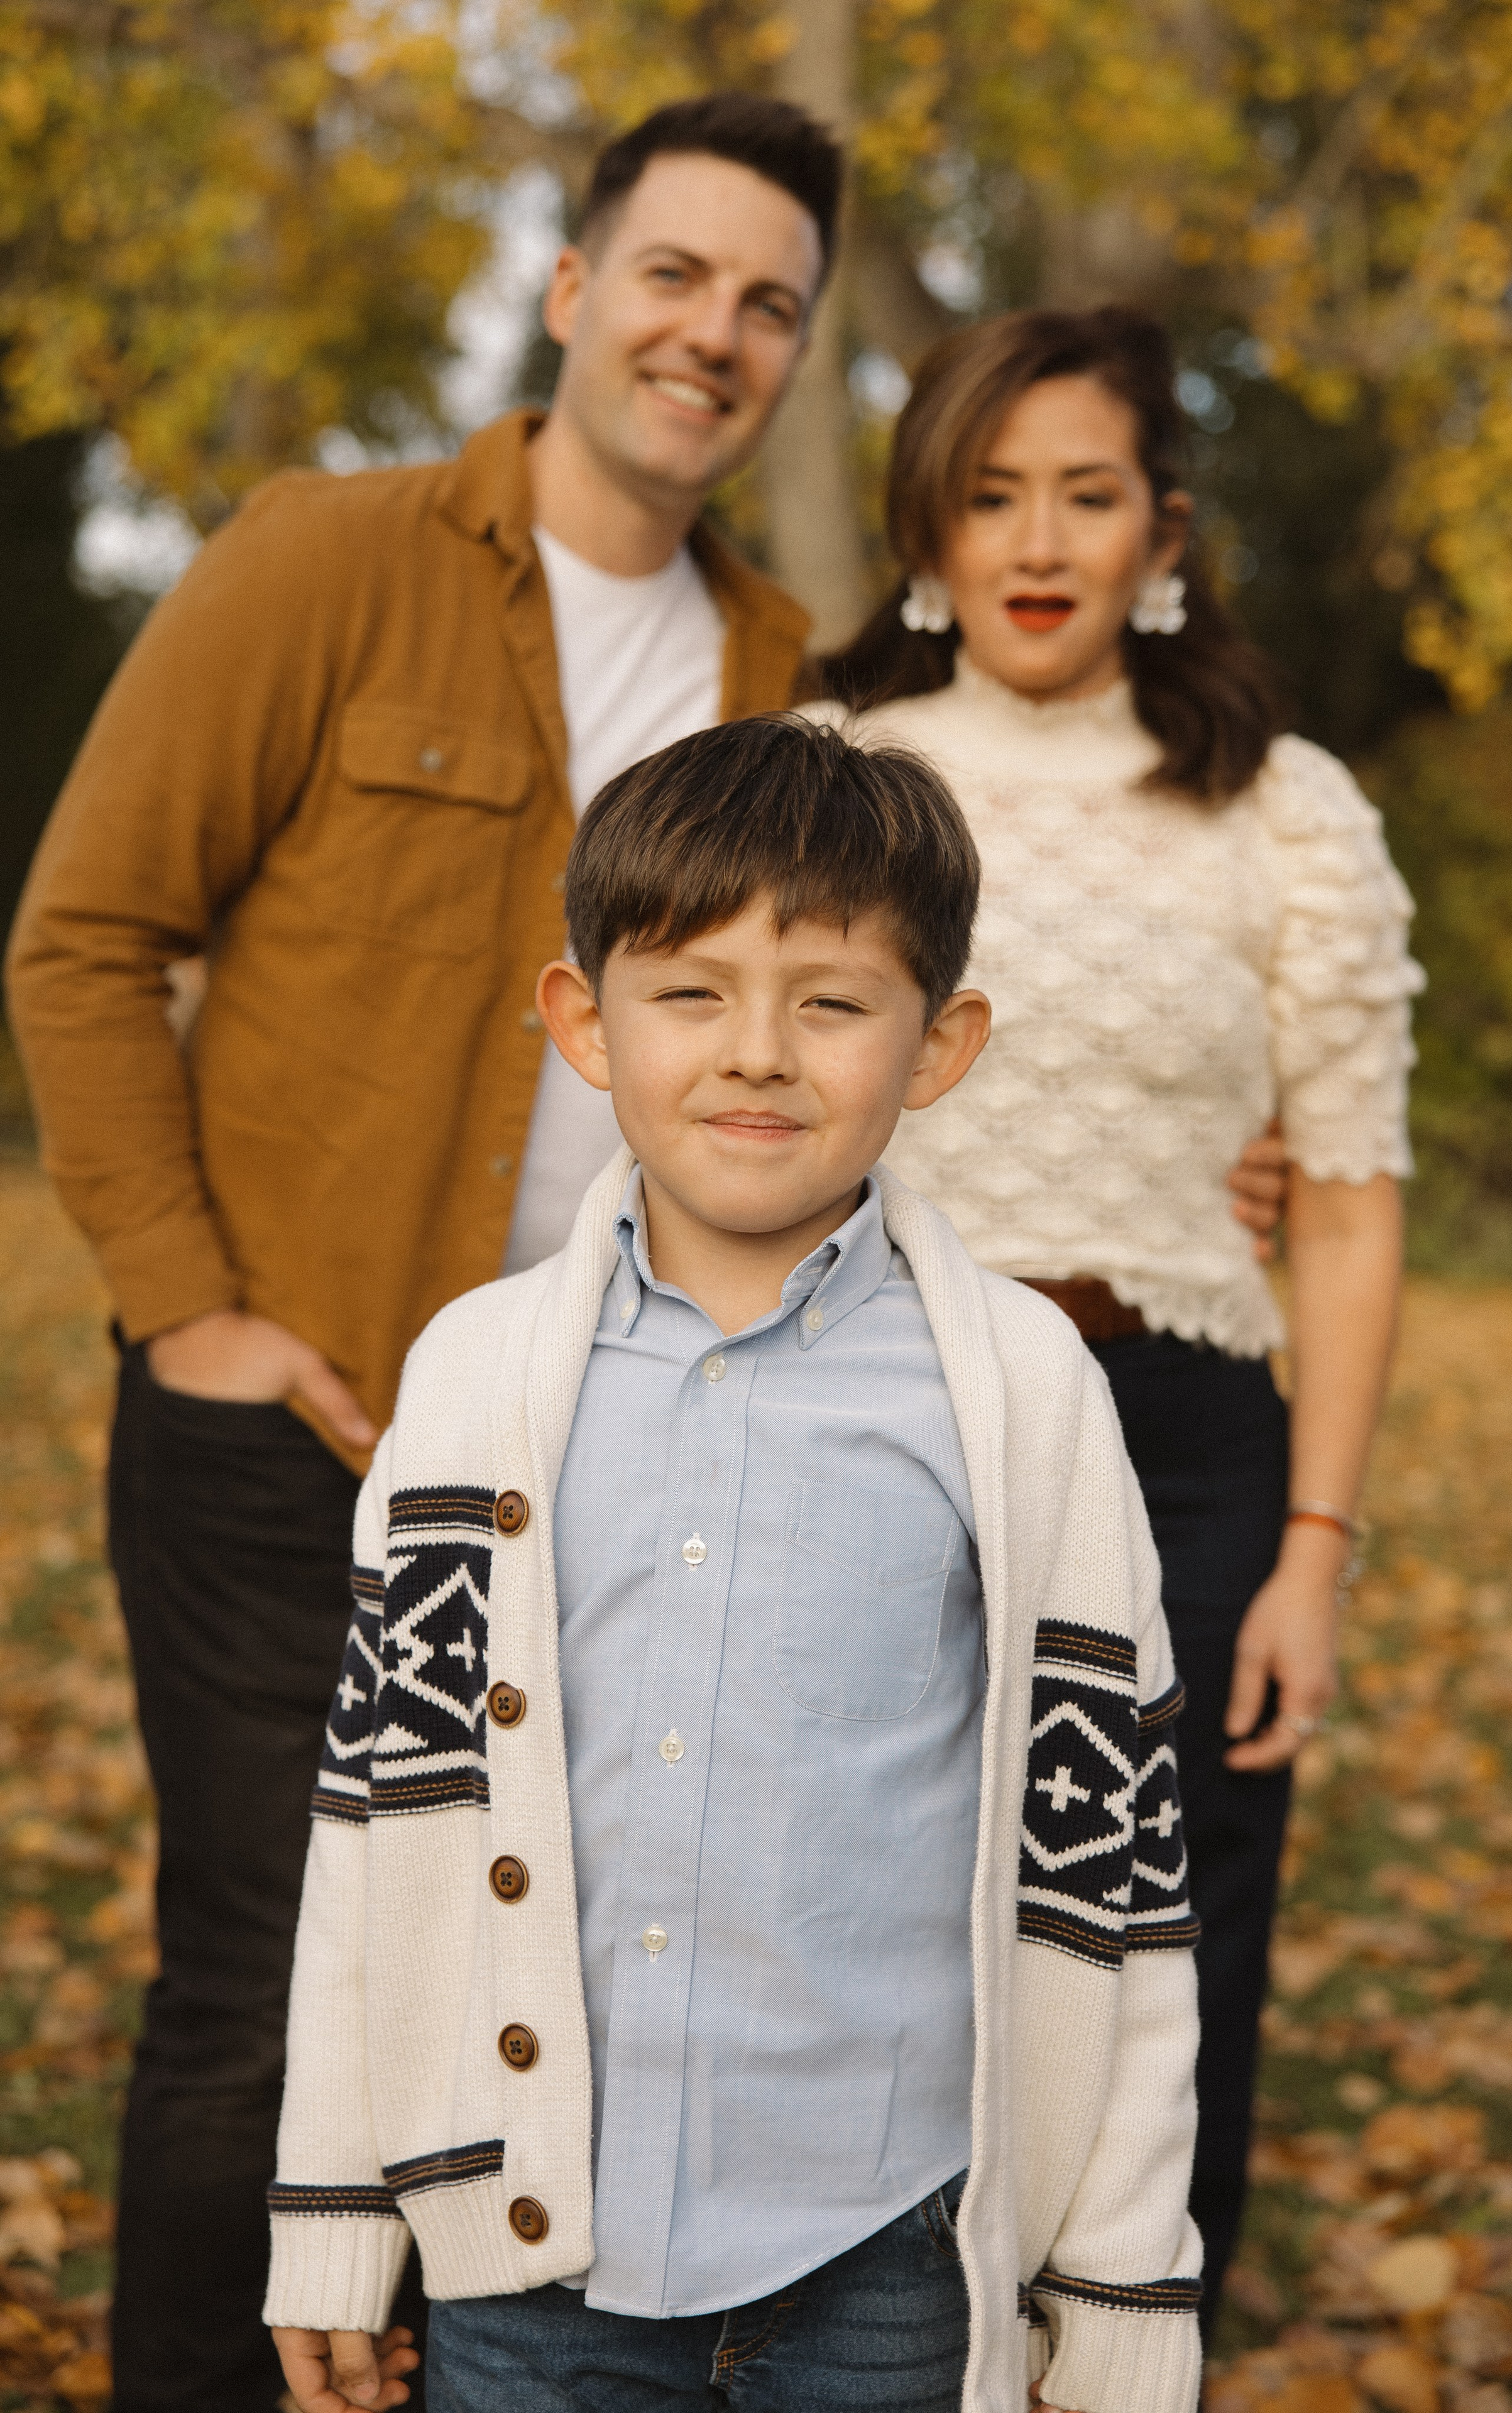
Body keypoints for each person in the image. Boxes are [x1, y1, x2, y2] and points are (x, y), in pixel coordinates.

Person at [4, 95, 841, 2412]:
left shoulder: (782, 656)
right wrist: (189, 1311)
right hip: (301, 1428)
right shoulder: (324, 559)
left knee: (533, 1999)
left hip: (616, 1456)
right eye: (675, 274)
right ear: (573, 290)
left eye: (771, 303)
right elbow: (83, 937)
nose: (717, 332)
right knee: (269, 1990)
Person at [265, 713, 1205, 2413]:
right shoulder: (473, 1383)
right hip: (535, 2270)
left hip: (893, 2260)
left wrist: (1122, 2293)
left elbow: (1114, 1870)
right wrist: (336, 2209)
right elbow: (383, 1822)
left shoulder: (1023, 1395)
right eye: (691, 992)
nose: (758, 1052)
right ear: (582, 1022)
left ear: (940, 1044)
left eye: (834, 1002)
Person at [809, 305, 1423, 2342]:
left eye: (1086, 493)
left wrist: (1313, 1550)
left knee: (1159, 1951)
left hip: (1185, 1444)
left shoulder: (1285, 811)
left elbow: (1342, 1201)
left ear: (1165, 526)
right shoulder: (833, 778)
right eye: (991, 497)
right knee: (859, 1930)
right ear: (931, 528)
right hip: (873, 1406)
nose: (1038, 539)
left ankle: (1123, 2359)